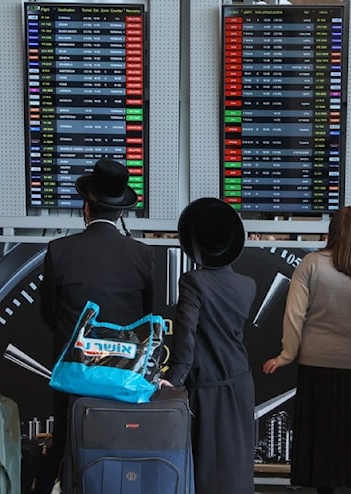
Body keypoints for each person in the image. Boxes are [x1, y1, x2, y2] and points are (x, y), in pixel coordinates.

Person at [40, 157, 154, 493]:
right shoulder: (142, 254)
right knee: (120, 449)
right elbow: (146, 316)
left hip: (75, 373)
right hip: (124, 376)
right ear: (121, 212)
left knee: (66, 443)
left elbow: (48, 311)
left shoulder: (59, 250)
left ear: (85, 206)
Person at [262, 205, 351, 494]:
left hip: (319, 364)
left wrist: (287, 354)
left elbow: (294, 315)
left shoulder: (312, 264)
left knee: (325, 436)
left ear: (332, 232)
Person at [160, 198, 255, 494]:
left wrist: (172, 381)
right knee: (235, 466)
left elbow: (186, 336)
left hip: (207, 386)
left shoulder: (193, 282)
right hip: (240, 383)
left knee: (206, 470)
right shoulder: (248, 285)